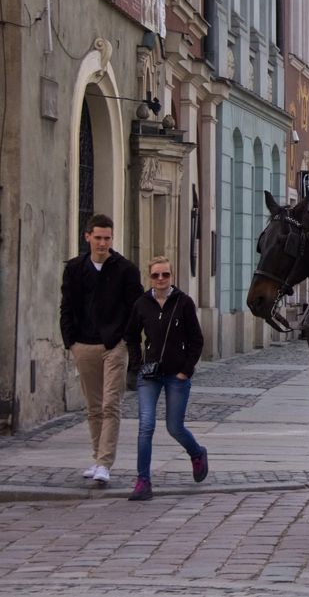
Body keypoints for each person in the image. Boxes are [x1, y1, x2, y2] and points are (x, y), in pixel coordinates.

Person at [60, 213, 143, 486]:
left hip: (114, 346)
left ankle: (105, 463)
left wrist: (125, 341)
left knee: (111, 404)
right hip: (83, 345)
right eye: (98, 238)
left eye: (107, 238)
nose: (102, 243)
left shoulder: (125, 269)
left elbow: (136, 309)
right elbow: (67, 307)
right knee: (94, 407)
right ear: (87, 237)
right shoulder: (74, 268)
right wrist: (70, 342)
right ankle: (97, 459)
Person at [124, 256, 208, 501]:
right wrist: (137, 364)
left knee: (174, 427)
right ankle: (143, 481)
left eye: (165, 275)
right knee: (146, 426)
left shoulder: (183, 303)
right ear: (149, 277)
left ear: (171, 276)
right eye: (156, 275)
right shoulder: (141, 304)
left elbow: (196, 340)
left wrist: (186, 370)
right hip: (149, 375)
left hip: (176, 375)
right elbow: (130, 335)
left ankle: (197, 453)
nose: (161, 279)